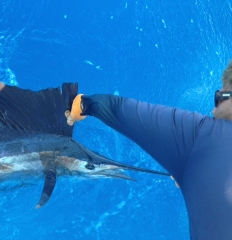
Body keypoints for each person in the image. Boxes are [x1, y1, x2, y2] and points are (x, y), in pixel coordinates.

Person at [65, 61, 232, 239]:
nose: (214, 108)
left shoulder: (199, 135)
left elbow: (112, 106)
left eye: (219, 97)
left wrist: (79, 107)